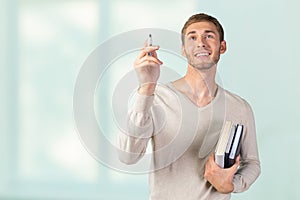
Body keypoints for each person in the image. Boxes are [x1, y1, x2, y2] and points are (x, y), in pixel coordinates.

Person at [117, 13, 261, 200]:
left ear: (222, 47)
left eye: (208, 36)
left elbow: (252, 163)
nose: (200, 42)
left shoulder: (239, 107)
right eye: (192, 37)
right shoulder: (156, 97)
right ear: (184, 50)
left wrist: (230, 185)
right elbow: (128, 156)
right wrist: (146, 87)